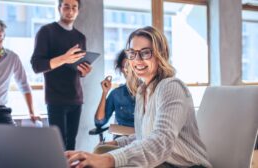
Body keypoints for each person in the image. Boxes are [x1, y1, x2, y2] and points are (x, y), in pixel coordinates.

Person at [65, 26, 212, 168]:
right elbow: (144, 136)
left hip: (187, 166)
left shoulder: (171, 87)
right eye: (132, 53)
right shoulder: (142, 91)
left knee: (108, 161)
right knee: (99, 153)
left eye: (145, 52)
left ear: (161, 54)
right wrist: (118, 143)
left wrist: (109, 159)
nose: (137, 59)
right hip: (162, 163)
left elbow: (160, 142)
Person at [31, 0, 92, 150]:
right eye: (66, 6)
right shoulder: (46, 31)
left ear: (78, 11)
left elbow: (77, 68)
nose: (70, 11)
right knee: (58, 146)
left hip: (76, 98)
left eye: (74, 8)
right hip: (55, 98)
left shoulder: (80, 37)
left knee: (71, 145)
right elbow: (37, 65)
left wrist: (84, 71)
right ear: (59, 8)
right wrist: (64, 58)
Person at [94, 50, 138, 130]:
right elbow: (99, 122)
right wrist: (104, 93)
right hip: (122, 139)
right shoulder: (116, 94)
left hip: (144, 139)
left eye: (131, 66)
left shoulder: (150, 91)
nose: (127, 70)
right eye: (125, 66)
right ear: (121, 69)